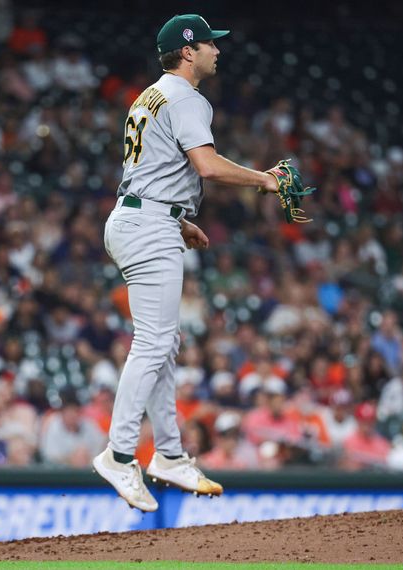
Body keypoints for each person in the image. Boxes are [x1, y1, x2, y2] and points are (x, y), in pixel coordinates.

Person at [92, 13, 282, 512]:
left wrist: (175, 219)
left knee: (163, 346)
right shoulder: (186, 97)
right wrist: (263, 179)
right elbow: (208, 166)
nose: (218, 51)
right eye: (210, 45)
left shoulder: (148, 96)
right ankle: (118, 454)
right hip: (147, 224)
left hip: (141, 218)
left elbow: (152, 169)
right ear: (188, 50)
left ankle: (171, 455)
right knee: (153, 343)